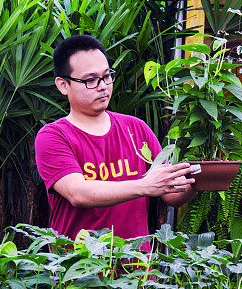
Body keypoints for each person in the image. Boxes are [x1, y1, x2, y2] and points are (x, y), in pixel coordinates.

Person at [34, 34, 196, 246]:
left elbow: (170, 195)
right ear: (63, 85)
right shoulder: (53, 136)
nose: (103, 86)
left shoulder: (136, 128)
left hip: (136, 267)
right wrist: (145, 185)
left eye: (106, 76)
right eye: (90, 80)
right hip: (80, 266)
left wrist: (196, 180)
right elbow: (78, 193)